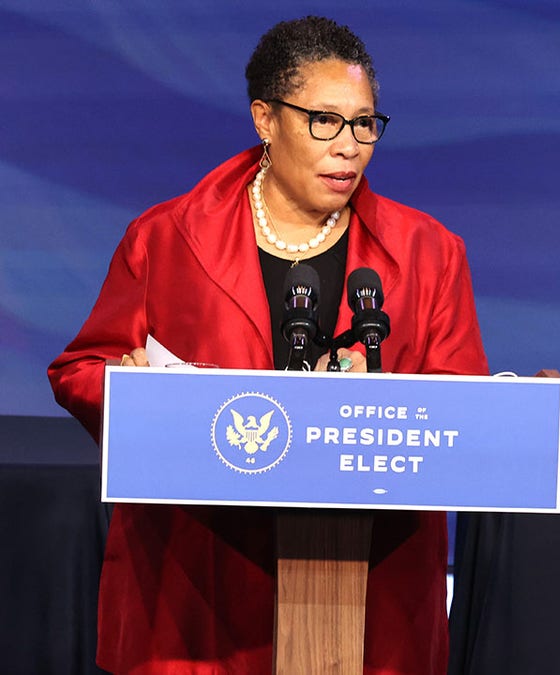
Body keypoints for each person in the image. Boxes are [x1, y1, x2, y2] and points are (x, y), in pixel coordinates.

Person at [47, 16, 488, 674]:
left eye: (365, 123)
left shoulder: (429, 252)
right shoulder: (167, 237)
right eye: (324, 121)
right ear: (265, 119)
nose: (350, 147)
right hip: (199, 589)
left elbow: (463, 415)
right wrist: (130, 393)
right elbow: (80, 368)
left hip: (369, 597)